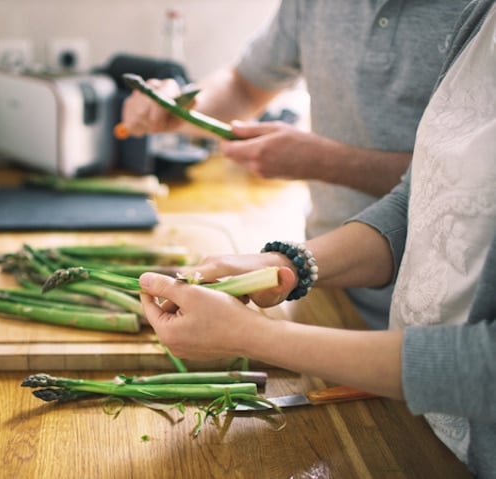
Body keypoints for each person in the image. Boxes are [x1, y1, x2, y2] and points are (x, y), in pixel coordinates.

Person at [137, 1, 496, 475]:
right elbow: (425, 195)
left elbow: (484, 364)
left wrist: (253, 335)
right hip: (413, 406)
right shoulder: (482, 18)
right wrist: (286, 264)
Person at [120, 1, 468, 330]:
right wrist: (180, 108)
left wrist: (324, 162)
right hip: (322, 272)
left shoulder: (479, 14)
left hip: (446, 304)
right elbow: (244, 85)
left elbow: (468, 183)